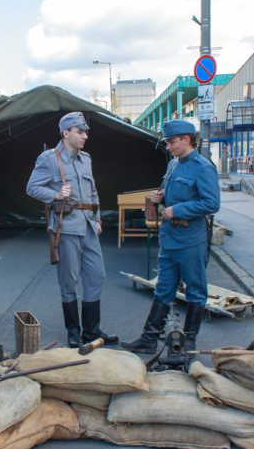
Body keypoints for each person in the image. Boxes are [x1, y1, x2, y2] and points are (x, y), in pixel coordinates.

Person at [121, 120, 220, 354]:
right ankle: (149, 339)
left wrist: (178, 209)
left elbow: (212, 203)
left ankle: (189, 342)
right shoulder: (174, 164)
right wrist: (161, 196)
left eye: (171, 142)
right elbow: (175, 191)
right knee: (163, 288)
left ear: (186, 140)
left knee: (195, 290)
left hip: (191, 240)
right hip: (170, 238)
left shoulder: (203, 167)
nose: (168, 146)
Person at [26, 112, 118, 349]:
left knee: (97, 276)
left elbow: (93, 190)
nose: (85, 136)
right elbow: (32, 188)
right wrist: (55, 194)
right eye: (80, 131)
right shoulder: (49, 159)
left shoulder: (85, 159)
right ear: (66, 133)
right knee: (69, 281)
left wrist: (97, 218)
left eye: (85, 132)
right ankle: (74, 331)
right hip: (65, 228)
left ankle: (92, 331)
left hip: (88, 226)